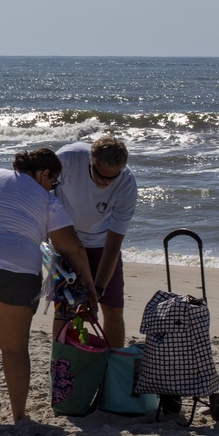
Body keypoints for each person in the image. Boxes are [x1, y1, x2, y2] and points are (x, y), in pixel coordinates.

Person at [0, 148, 98, 422]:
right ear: (44, 173)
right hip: (17, 267)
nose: (53, 189)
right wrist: (90, 289)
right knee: (14, 348)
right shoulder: (47, 201)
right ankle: (19, 416)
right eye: (54, 182)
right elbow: (73, 249)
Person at [53, 137, 137, 349]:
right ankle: (63, 361)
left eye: (111, 179)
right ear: (89, 161)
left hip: (101, 242)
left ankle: (113, 364)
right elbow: (41, 191)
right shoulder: (67, 159)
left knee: (113, 309)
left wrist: (97, 289)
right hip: (66, 237)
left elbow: (114, 243)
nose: (104, 183)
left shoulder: (126, 183)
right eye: (99, 176)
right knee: (67, 309)